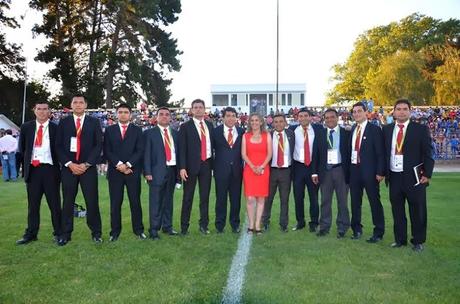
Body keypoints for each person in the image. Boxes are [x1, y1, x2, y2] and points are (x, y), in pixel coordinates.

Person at [383, 99, 434, 252]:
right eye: (398, 109)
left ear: (410, 111)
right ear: (394, 111)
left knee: (417, 210)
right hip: (394, 175)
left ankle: (418, 241)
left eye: (405, 109)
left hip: (414, 176)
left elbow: (428, 153)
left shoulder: (420, 129)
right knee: (397, 210)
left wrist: (427, 173)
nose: (402, 112)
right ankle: (400, 239)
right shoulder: (386, 129)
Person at [56, 94, 103, 246]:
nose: (78, 105)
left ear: (85, 105)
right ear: (71, 105)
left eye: (81, 102)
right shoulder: (63, 123)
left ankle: (96, 233)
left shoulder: (94, 122)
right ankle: (65, 234)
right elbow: (58, 146)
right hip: (69, 169)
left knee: (92, 201)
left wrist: (87, 164)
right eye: (75, 102)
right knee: (68, 202)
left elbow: (98, 145)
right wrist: (70, 164)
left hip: (87, 168)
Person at [16, 101, 62, 245]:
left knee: (54, 204)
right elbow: (22, 149)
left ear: (49, 111)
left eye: (45, 109)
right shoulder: (26, 127)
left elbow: (60, 149)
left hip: (50, 170)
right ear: (34, 110)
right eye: (39, 109)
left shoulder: (56, 128)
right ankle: (31, 234)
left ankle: (59, 233)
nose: (42, 111)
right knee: (33, 205)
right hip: (33, 170)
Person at [103, 103, 146, 241]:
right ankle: (114, 232)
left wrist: (127, 165)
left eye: (125, 112)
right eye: (120, 112)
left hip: (132, 172)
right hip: (115, 172)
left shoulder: (138, 130)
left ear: (130, 114)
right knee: (115, 204)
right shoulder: (110, 130)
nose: (122, 114)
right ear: (116, 114)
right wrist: (119, 164)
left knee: (135, 202)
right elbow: (107, 150)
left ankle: (138, 230)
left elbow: (140, 150)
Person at [349, 101, 385, 243]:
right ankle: (356, 229)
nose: (357, 114)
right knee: (355, 202)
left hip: (370, 173)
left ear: (366, 113)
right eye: (354, 112)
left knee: (374, 202)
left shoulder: (374, 130)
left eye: (359, 111)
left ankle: (378, 232)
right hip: (354, 171)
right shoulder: (353, 129)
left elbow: (380, 153)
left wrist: (380, 172)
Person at [313, 108, 351, 238]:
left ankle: (342, 227)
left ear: (337, 117)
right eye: (327, 117)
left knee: (342, 201)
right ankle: (324, 226)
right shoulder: (320, 134)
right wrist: (314, 173)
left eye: (332, 117)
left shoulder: (346, 133)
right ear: (324, 119)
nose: (329, 120)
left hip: (341, 170)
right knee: (325, 200)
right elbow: (315, 155)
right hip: (325, 171)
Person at [144, 107, 180, 240]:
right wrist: (147, 172)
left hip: (172, 170)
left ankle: (167, 226)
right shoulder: (149, 133)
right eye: (161, 114)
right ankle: (154, 229)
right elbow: (146, 153)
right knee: (156, 202)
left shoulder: (175, 133)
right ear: (156, 117)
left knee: (168, 201)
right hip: (156, 172)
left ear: (170, 118)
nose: (164, 117)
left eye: (167, 115)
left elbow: (179, 154)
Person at [179, 99, 214, 235]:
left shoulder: (210, 126)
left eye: (201, 107)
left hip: (206, 164)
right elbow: (182, 149)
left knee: (204, 197)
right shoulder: (185, 126)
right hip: (190, 167)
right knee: (188, 197)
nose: (198, 109)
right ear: (192, 110)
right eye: (195, 107)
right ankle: (184, 227)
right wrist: (182, 167)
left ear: (204, 109)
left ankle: (204, 225)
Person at [212, 107, 244, 233]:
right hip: (221, 171)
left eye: (233, 115)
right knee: (221, 199)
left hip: (237, 171)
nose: (231, 118)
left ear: (236, 118)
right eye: (228, 115)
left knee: (236, 199)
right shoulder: (215, 132)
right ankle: (220, 225)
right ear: (223, 117)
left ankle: (235, 224)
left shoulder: (242, 132)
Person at [262, 114, 294, 232]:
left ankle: (283, 224)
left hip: (286, 171)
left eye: (281, 121)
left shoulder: (291, 134)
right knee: (268, 198)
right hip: (272, 171)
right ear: (272, 123)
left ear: (285, 123)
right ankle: (265, 221)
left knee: (284, 199)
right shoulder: (268, 135)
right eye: (276, 122)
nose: (278, 124)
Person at [290, 108, 321, 232]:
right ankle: (300, 222)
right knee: (298, 196)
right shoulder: (292, 131)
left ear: (310, 117)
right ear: (297, 118)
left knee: (313, 197)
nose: (303, 118)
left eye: (305, 116)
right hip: (298, 167)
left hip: (313, 167)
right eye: (300, 116)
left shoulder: (318, 130)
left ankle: (314, 223)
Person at [241, 113, 272, 234]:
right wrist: (253, 166)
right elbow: (243, 154)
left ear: (261, 122)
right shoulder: (245, 136)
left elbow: (269, 154)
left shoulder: (267, 135)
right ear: (249, 122)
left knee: (260, 198)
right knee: (250, 198)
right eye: (252, 120)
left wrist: (261, 166)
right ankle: (250, 224)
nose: (254, 122)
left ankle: (257, 225)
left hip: (263, 170)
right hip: (250, 169)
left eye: (257, 120)